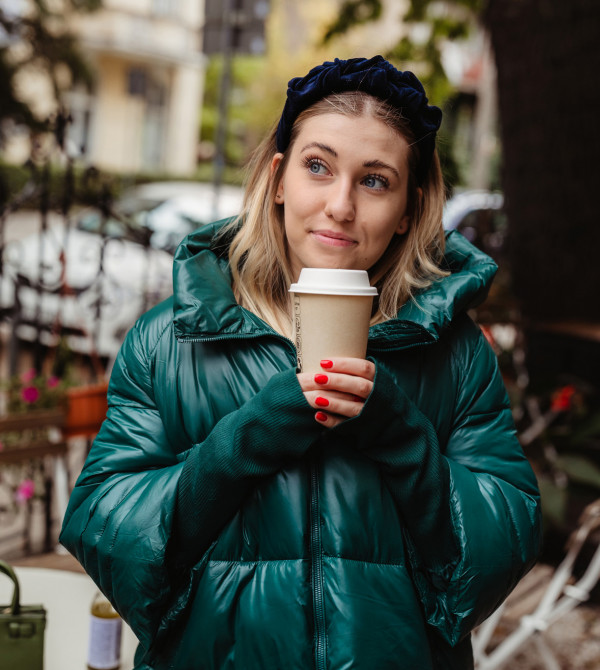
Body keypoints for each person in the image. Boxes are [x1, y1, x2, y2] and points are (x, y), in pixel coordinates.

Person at [61, 56, 541, 669]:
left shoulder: (454, 352)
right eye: (319, 166)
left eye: (375, 180)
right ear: (281, 178)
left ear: (408, 209)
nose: (341, 205)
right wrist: (245, 438)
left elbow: (505, 542)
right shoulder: (173, 338)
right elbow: (105, 526)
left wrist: (399, 434)